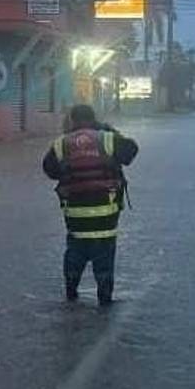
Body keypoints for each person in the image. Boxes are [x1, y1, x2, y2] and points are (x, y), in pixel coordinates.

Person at [42, 104, 139, 305]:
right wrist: (110, 131)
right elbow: (131, 151)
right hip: (106, 216)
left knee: (75, 252)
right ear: (94, 118)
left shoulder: (62, 143)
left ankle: (71, 294)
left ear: (72, 120)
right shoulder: (107, 138)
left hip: (75, 216)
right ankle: (104, 300)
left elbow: (50, 170)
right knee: (104, 257)